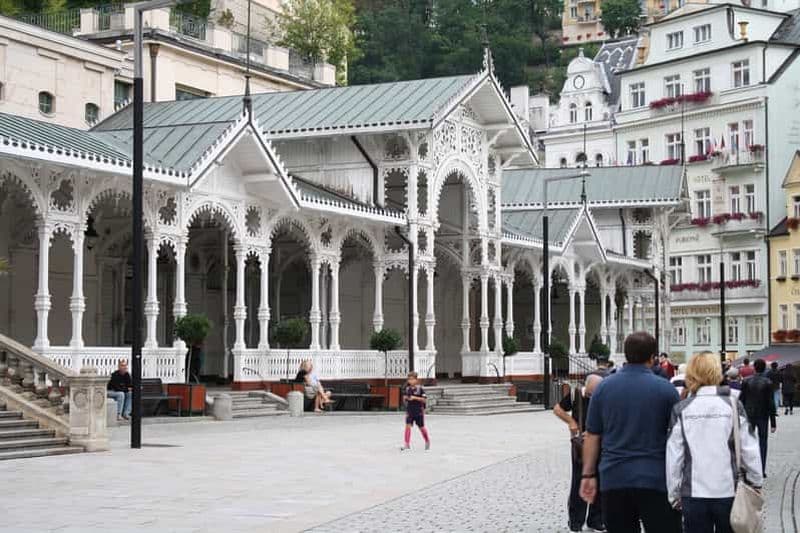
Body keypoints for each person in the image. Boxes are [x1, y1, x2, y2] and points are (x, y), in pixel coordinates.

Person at [580, 331, 681, 533]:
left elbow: (592, 435)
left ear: (626, 355)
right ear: (653, 358)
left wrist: (588, 474)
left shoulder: (603, 388)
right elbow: (678, 437)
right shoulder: (666, 390)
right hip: (656, 478)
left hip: (614, 477)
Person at [666, 352, 763, 533]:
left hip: (693, 492)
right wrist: (756, 481)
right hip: (728, 490)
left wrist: (673, 493)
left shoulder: (682, 409)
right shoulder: (733, 405)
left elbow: (674, 455)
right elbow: (749, 447)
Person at [554, 374, 605, 532]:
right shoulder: (576, 395)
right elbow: (557, 409)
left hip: (600, 442)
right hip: (580, 446)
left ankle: (595, 520)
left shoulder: (603, 396)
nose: (592, 397)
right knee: (579, 480)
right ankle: (576, 521)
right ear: (586, 387)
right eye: (590, 394)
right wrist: (571, 422)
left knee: (600, 480)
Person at [740, 358, 777, 477]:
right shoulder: (768, 382)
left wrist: (740, 416)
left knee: (747, 442)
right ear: (764, 368)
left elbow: (742, 400)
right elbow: (771, 403)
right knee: (763, 442)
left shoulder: (746, 381)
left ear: (754, 367)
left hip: (749, 415)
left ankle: (748, 469)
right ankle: (761, 469)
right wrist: (773, 422)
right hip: (763, 415)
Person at [401, 372, 430, 451]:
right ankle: (406, 444)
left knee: (421, 427)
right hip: (410, 410)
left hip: (419, 411)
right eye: (409, 379)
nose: (410, 381)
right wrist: (406, 399)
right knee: (407, 426)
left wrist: (415, 398)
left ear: (416, 380)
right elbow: (405, 399)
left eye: (412, 379)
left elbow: (424, 400)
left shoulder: (420, 389)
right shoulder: (407, 389)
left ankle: (427, 440)